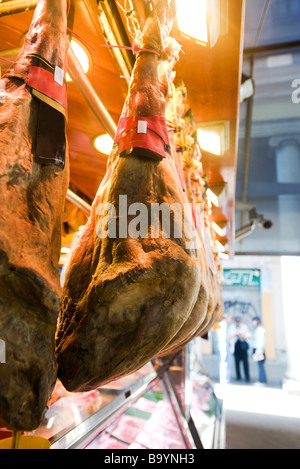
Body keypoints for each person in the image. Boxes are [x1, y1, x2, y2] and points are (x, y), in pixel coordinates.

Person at [229, 317, 252, 383]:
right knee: (237, 362)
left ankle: (247, 376)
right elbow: (230, 335)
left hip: (243, 346)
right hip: (236, 346)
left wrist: (242, 336)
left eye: (238, 322)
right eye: (236, 322)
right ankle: (238, 376)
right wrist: (235, 334)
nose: (237, 323)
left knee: (245, 362)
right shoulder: (232, 327)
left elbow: (248, 334)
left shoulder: (244, 327)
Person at [216, 315, 233, 384]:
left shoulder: (220, 324)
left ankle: (224, 379)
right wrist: (232, 335)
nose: (231, 320)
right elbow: (224, 336)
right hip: (224, 344)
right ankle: (224, 379)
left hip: (222, 344)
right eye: (230, 318)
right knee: (224, 362)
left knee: (223, 362)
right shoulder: (224, 324)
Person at [252, 316, 267, 385]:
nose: (253, 322)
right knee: (260, 365)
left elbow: (260, 341)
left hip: (259, 350)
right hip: (258, 349)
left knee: (260, 365)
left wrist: (259, 350)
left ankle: (262, 381)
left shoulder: (260, 329)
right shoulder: (258, 329)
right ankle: (262, 380)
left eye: (254, 321)